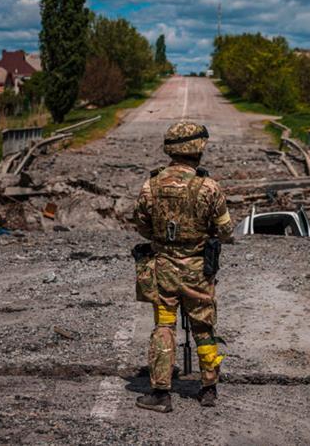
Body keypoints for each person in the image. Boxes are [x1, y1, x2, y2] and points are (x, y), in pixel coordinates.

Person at [132, 121, 234, 413]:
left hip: (163, 269)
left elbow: (141, 226)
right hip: (199, 271)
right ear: (198, 148)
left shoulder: (151, 184)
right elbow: (226, 231)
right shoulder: (208, 186)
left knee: (164, 325)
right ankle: (208, 389)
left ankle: (161, 393)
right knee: (203, 326)